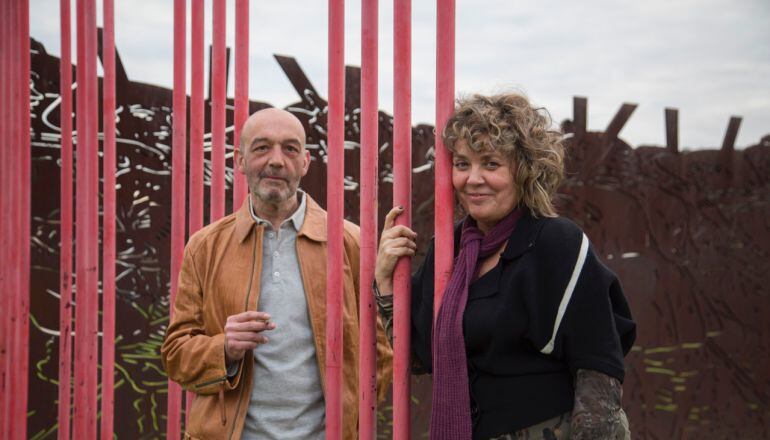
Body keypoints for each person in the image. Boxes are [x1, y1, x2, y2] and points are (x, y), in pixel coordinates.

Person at [374, 93, 636, 440]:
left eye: (491, 164)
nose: (473, 179)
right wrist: (385, 281)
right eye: (463, 163)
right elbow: (420, 356)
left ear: (524, 170)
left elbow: (598, 370)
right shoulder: (449, 249)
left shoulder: (556, 243)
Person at [161, 108, 392, 439]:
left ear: (305, 163)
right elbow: (175, 355)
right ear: (239, 160)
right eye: (261, 148)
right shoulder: (205, 246)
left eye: (290, 149)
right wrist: (224, 348)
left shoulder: (351, 242)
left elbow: (381, 351)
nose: (276, 161)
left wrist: (350, 417)